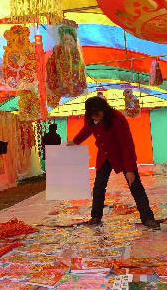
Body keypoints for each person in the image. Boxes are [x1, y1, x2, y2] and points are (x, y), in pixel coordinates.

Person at [68, 96, 159, 229]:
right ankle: (95, 217)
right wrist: (75, 142)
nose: (96, 118)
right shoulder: (91, 118)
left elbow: (127, 144)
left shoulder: (117, 118)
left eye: (98, 115)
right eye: (93, 116)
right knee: (99, 186)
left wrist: (129, 169)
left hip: (121, 155)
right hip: (104, 155)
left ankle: (147, 218)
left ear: (103, 109)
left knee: (135, 185)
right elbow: (86, 130)